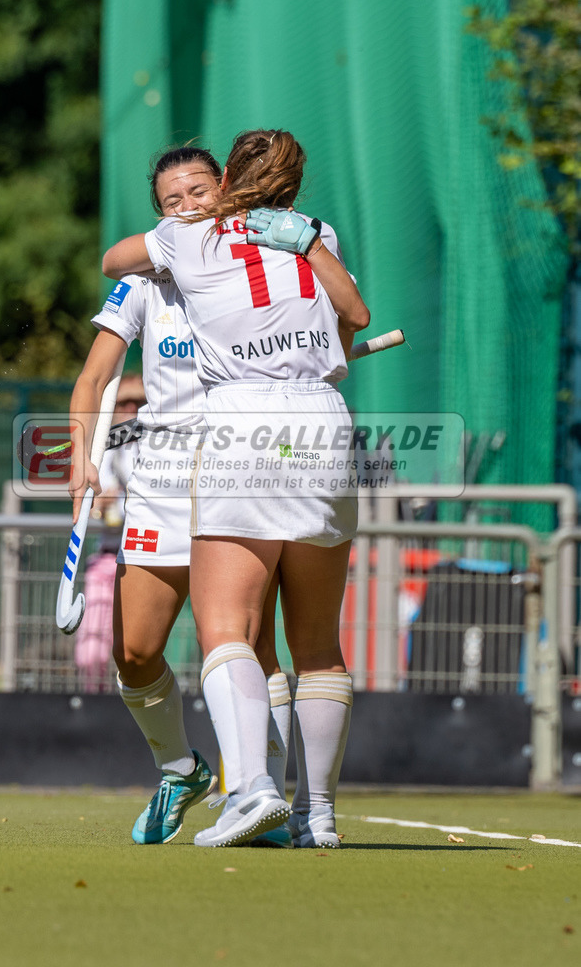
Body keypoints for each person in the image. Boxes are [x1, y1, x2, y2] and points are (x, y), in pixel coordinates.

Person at [101, 129, 370, 848]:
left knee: (227, 630)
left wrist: (178, 224)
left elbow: (111, 259)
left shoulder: (188, 240)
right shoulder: (316, 232)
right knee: (316, 641)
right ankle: (319, 818)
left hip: (240, 421)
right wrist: (305, 240)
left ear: (226, 182)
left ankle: (249, 789)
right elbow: (356, 319)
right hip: (322, 418)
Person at [70, 146, 292, 846]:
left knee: (249, 640)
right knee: (134, 651)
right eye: (172, 200)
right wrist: (81, 459)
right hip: (163, 474)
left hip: (239, 459)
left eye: (199, 190)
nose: (188, 203)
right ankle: (180, 767)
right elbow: (94, 379)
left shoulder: (254, 260)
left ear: (224, 190)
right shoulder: (142, 280)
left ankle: (260, 795)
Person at [73, 373, 145, 693]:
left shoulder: (159, 446)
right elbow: (91, 510)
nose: (131, 409)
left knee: (139, 655)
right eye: (123, 402)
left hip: (145, 561)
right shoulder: (99, 450)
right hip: (107, 560)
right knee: (91, 654)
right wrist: (101, 504)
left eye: (139, 402)